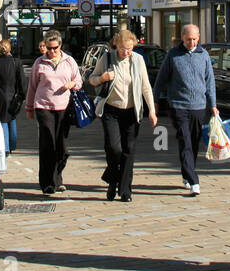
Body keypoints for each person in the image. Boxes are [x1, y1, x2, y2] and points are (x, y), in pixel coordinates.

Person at [89, 27, 156, 202]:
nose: (126, 53)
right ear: (116, 46)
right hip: (111, 109)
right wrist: (103, 78)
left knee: (129, 150)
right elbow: (91, 79)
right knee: (114, 148)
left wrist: (152, 111)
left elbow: (145, 86)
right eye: (122, 49)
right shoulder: (107, 58)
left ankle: (125, 190)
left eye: (129, 49)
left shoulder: (138, 60)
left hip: (132, 111)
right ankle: (113, 180)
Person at [154, 24, 218, 196]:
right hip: (178, 105)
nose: (192, 42)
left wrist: (213, 105)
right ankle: (194, 180)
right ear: (182, 37)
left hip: (199, 106)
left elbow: (209, 81)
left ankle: (187, 172)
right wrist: (155, 101)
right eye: (189, 39)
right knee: (185, 141)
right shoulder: (173, 55)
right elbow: (161, 79)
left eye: (195, 39)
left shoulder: (203, 55)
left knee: (194, 142)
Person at [25, 31, 82, 196]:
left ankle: (58, 177)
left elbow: (79, 80)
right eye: (48, 48)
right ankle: (47, 183)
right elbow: (32, 86)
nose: (51, 52)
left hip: (64, 108)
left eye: (54, 48)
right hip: (43, 107)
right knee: (47, 144)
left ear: (60, 46)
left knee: (62, 147)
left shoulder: (69, 61)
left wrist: (72, 84)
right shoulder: (39, 62)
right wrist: (29, 107)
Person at [0, 38, 23, 153]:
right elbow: (21, 81)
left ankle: (6, 147)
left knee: (2, 120)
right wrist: (22, 95)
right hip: (13, 96)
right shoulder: (16, 62)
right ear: (10, 48)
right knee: (12, 119)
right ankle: (12, 145)